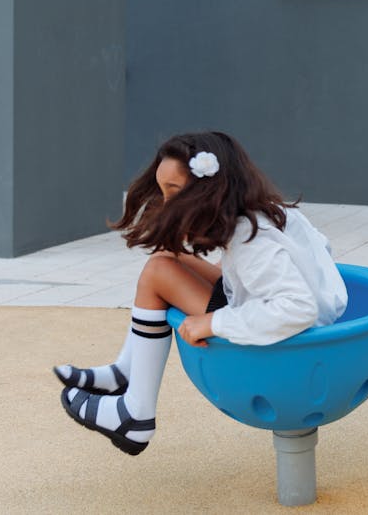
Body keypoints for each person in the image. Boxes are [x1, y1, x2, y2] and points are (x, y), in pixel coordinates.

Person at [54, 131, 348, 456]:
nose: (166, 205)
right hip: (294, 318)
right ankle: (127, 371)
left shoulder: (253, 243)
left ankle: (135, 413)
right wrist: (237, 272)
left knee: (157, 273)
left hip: (293, 340)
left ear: (211, 189)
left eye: (174, 192)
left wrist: (212, 323)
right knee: (166, 256)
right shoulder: (268, 214)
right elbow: (317, 252)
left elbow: (297, 309)